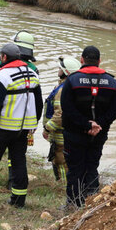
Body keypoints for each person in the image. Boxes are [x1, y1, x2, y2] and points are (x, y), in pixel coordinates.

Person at [0, 44, 42, 209]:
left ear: (3, 57)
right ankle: (18, 200)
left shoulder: (3, 75)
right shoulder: (32, 74)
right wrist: (35, 123)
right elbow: (39, 103)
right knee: (18, 161)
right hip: (23, 129)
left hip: (2, 127)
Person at [59, 46, 116, 208]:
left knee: (75, 169)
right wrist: (99, 124)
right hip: (99, 134)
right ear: (99, 61)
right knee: (92, 165)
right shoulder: (112, 82)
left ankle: (73, 203)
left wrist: (86, 124)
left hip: (75, 133)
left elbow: (67, 107)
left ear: (82, 60)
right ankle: (92, 202)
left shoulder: (72, 80)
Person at [42, 56, 81, 185]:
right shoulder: (70, 86)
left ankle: (63, 186)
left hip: (59, 132)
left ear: (67, 72)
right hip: (66, 131)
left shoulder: (63, 89)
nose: (58, 70)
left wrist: (47, 128)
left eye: (60, 68)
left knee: (60, 159)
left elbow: (60, 114)